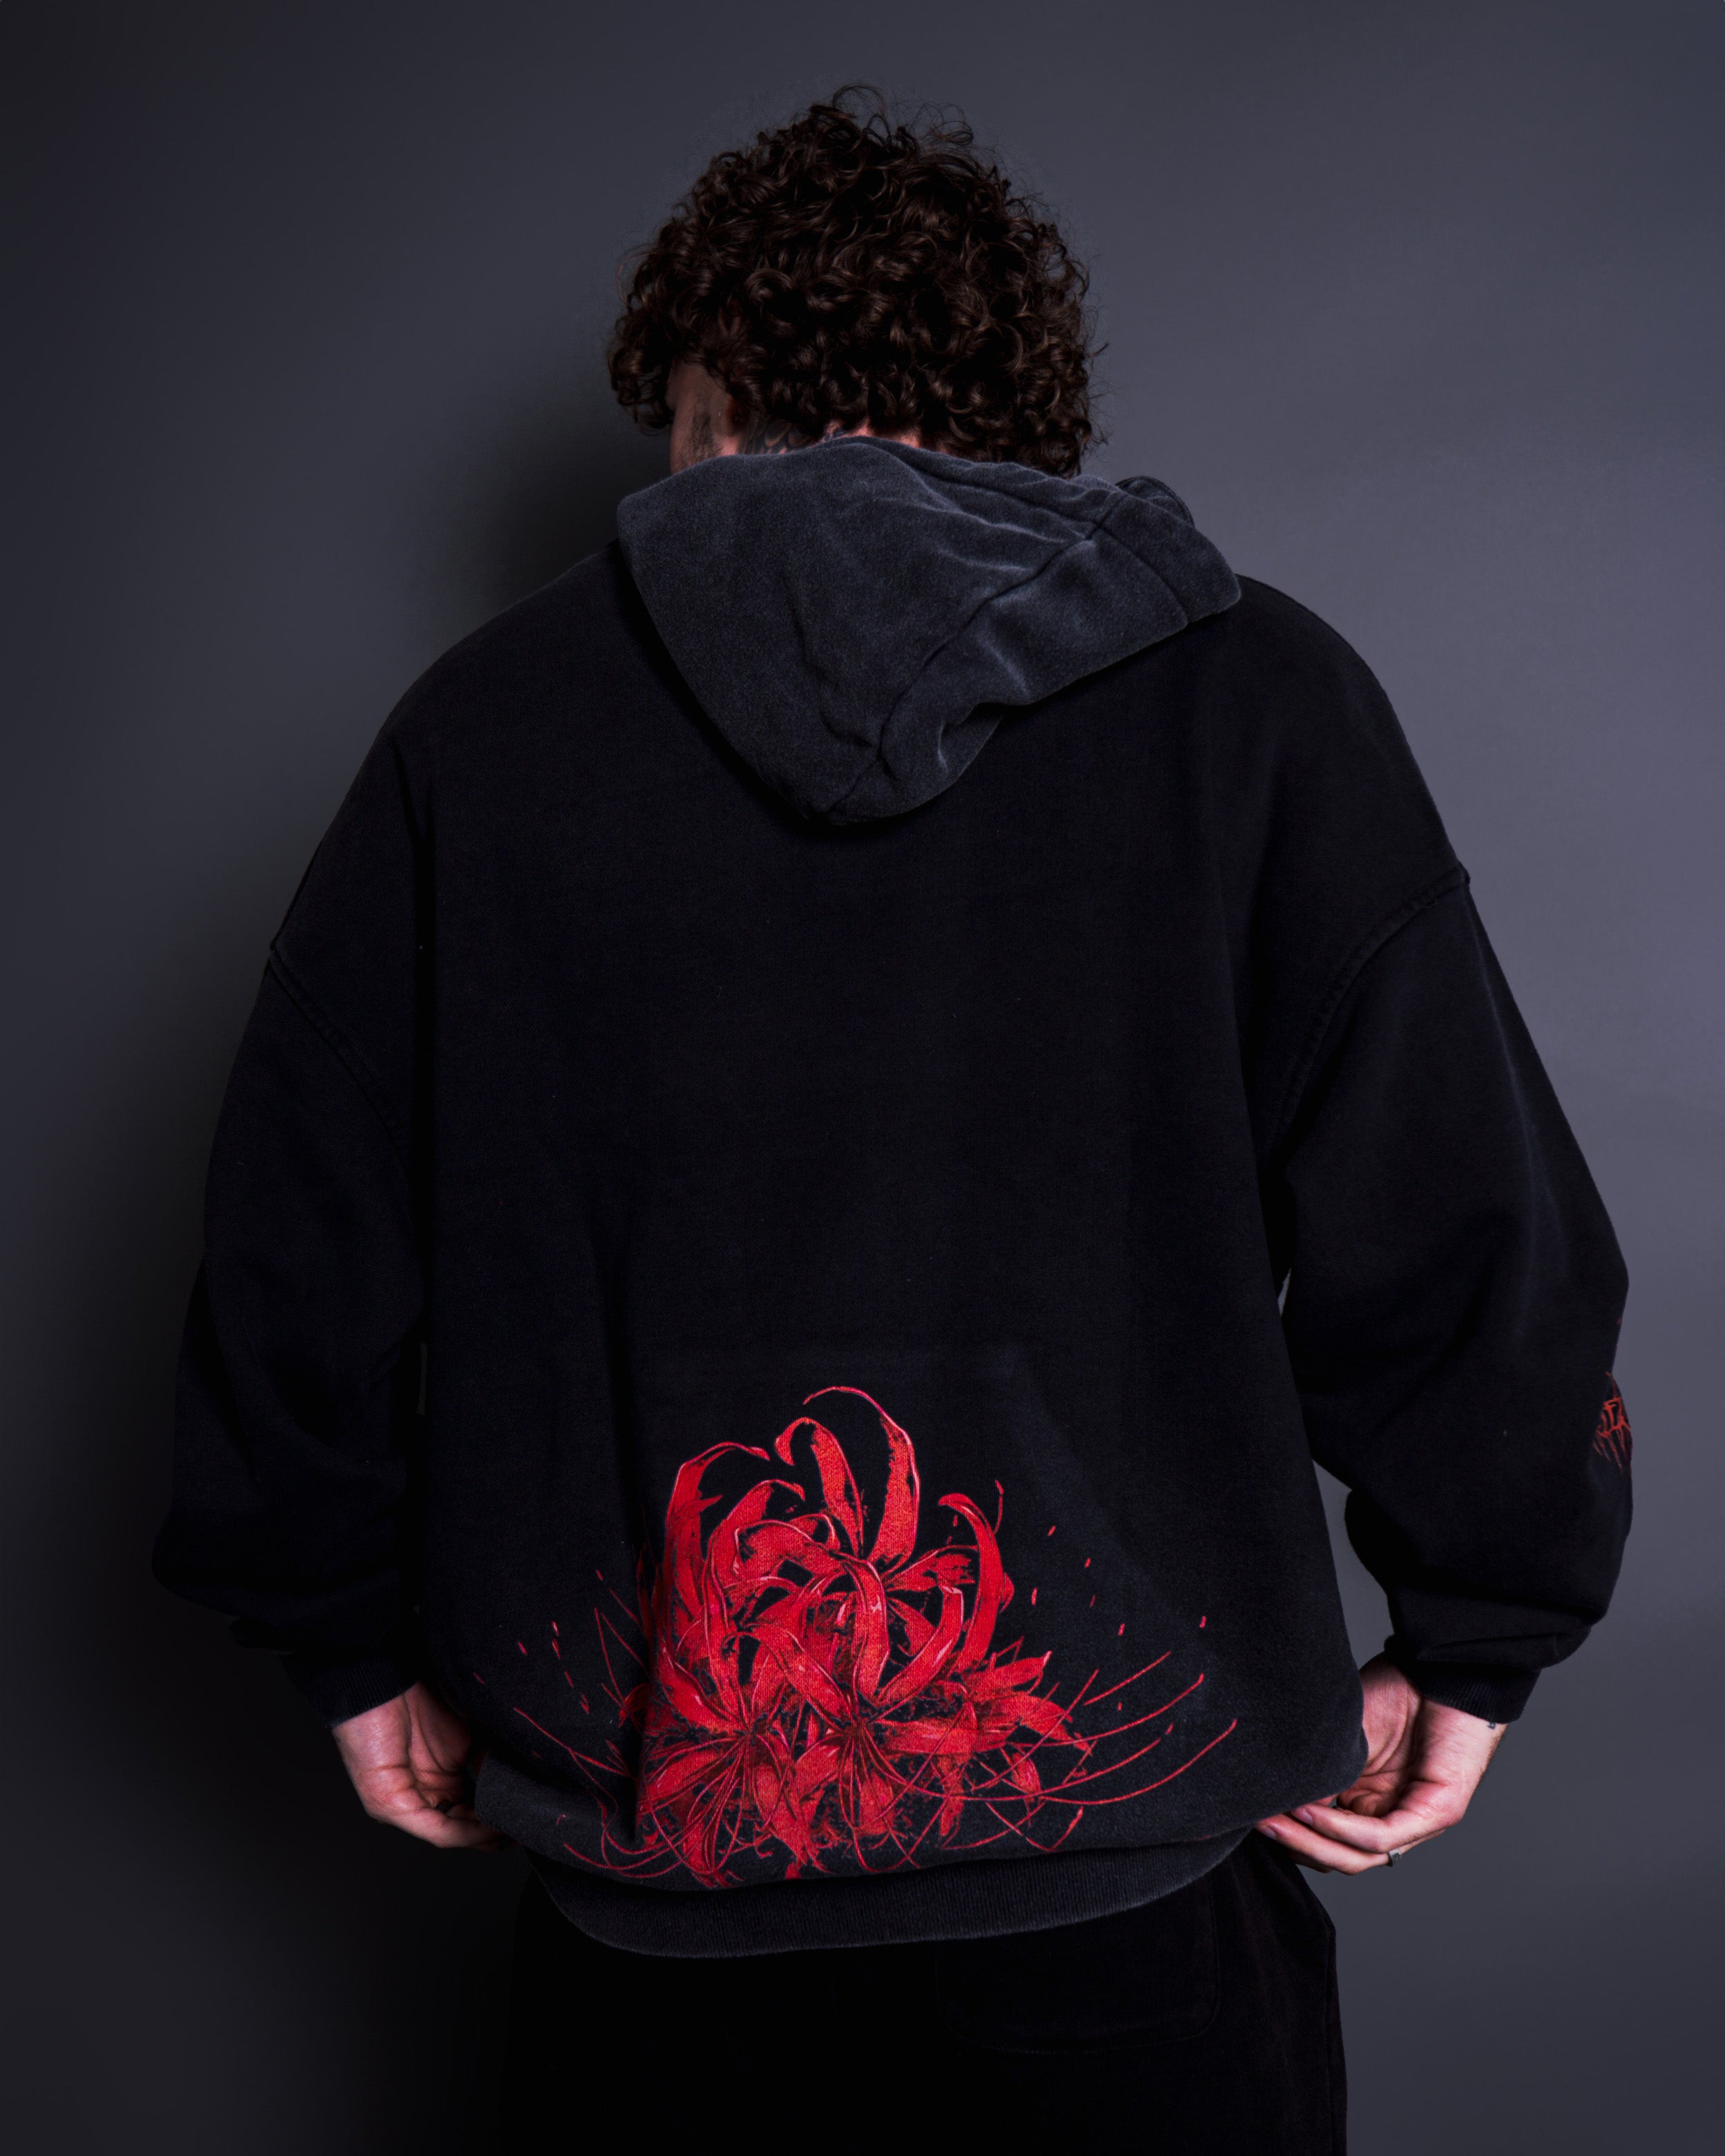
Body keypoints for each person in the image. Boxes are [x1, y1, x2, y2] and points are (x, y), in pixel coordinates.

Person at [155, 89, 1632, 2150]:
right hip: (1132, 1898)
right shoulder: (1257, 700)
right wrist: (1481, 1633)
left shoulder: (481, 734)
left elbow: (296, 1243)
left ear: (707, 405)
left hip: (656, 1914)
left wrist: (338, 1630)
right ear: (1013, 421)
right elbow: (1465, 1222)